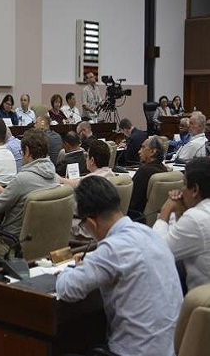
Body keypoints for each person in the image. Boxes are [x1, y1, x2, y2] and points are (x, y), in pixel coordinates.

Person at [56, 176, 182, 356]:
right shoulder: (148, 233)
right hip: (170, 348)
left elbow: (67, 289)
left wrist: (73, 268)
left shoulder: (112, 248)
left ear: (91, 222)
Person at [0, 129, 59, 270]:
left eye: (22, 152)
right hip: (43, 243)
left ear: (27, 151)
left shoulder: (22, 179)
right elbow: (28, 194)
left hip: (12, 245)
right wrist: (5, 191)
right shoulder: (53, 175)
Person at [154, 158, 210, 291]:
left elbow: (156, 252)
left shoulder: (196, 218)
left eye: (184, 184)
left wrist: (165, 211)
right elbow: (183, 239)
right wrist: (179, 212)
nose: (181, 190)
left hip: (201, 303)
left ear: (195, 189)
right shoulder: (198, 215)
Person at [128, 136, 168, 217]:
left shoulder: (144, 171)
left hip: (136, 219)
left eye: (143, 148)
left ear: (153, 151)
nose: (139, 151)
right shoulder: (164, 170)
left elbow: (131, 202)